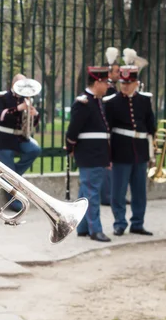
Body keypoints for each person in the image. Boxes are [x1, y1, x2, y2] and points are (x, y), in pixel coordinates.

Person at [104, 64, 155, 236]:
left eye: (129, 83)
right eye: (123, 83)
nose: (125, 86)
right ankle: (119, 223)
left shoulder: (144, 100)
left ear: (136, 83)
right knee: (118, 191)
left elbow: (150, 127)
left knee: (139, 191)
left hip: (140, 152)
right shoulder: (111, 103)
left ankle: (138, 223)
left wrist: (152, 153)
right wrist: (108, 155)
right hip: (120, 152)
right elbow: (107, 131)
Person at [65, 66, 112, 242]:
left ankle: (83, 227)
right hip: (89, 155)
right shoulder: (84, 103)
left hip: (97, 154)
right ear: (98, 82)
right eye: (106, 82)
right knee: (92, 194)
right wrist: (70, 148)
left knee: (86, 194)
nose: (108, 86)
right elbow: (72, 131)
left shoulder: (97, 101)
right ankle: (95, 230)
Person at [0, 73, 41, 211]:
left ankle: (10, 178)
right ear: (14, 84)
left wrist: (35, 114)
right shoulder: (1, 97)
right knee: (10, 172)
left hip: (20, 138)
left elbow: (33, 123)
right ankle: (15, 203)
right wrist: (18, 109)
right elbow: (0, 116)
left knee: (34, 150)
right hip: (4, 139)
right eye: (22, 84)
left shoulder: (27, 99)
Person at [101, 47, 121, 205]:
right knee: (108, 163)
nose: (119, 74)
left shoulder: (113, 87)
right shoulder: (107, 88)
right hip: (108, 129)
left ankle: (112, 194)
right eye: (116, 72)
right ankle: (107, 195)